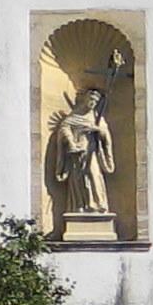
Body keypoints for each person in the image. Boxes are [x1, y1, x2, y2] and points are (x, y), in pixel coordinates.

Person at [51, 85, 116, 222]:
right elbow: (64, 128)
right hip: (77, 154)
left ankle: (97, 205)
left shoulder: (98, 118)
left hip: (92, 153)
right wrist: (71, 143)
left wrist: (98, 131)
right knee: (78, 179)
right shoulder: (74, 117)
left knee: (93, 175)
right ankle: (79, 207)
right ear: (85, 99)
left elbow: (106, 136)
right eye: (90, 99)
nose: (92, 103)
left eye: (95, 101)